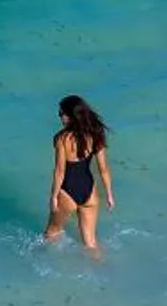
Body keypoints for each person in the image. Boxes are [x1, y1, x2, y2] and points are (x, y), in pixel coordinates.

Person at [42, 94, 116, 256]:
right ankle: (103, 271)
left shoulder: (62, 139)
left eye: (62, 113)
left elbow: (60, 171)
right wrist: (109, 195)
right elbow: (103, 169)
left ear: (71, 116)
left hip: (67, 193)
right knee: (90, 243)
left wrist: (54, 196)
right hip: (90, 193)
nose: (60, 117)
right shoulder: (96, 135)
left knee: (51, 234)